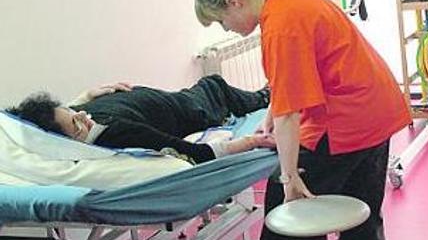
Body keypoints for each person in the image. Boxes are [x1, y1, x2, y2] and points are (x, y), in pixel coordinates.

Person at [193, 0, 410, 240]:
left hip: (346, 119)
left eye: (221, 20)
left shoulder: (280, 26)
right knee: (363, 212)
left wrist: (289, 175)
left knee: (283, 207)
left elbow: (292, 113)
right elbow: (289, 83)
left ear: (234, 2)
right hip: (377, 109)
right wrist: (268, 117)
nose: (225, 29)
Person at [5, 75, 274, 163]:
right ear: (69, 143)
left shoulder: (71, 120)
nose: (83, 117)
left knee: (211, 85)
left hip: (167, 99)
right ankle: (265, 97)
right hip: (189, 109)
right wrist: (251, 141)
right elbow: (194, 152)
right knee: (213, 84)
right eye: (76, 124)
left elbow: (72, 109)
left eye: (76, 114)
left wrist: (90, 94)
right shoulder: (119, 134)